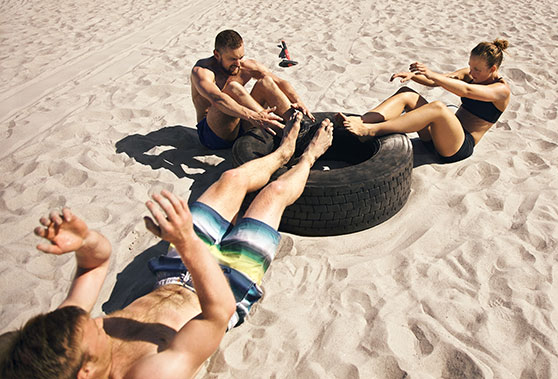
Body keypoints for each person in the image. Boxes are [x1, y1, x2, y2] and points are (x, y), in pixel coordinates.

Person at [0, 112, 334, 378]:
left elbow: (94, 265)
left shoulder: (62, 337)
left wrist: (85, 241)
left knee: (231, 179)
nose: (95, 320)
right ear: (85, 372)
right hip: (229, 286)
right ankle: (308, 157)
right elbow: (218, 314)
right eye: (95, 329)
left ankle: (282, 153)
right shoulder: (151, 371)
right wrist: (187, 242)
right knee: (272, 196)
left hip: (173, 274)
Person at [340, 39, 511, 163]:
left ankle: (371, 131)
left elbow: (467, 90)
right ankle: (361, 121)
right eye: (470, 66)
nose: (471, 72)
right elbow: (436, 81)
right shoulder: (470, 74)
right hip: (438, 136)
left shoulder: (501, 91)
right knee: (407, 94)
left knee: (438, 107)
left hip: (457, 147)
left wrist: (431, 73)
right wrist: (414, 76)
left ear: (493, 69)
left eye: (477, 69)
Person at [191, 29, 315, 150]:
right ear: (217, 55)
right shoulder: (202, 72)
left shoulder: (245, 66)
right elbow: (217, 99)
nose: (238, 63)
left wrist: (298, 100)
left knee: (266, 82)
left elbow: (280, 82)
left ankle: (298, 127)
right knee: (233, 88)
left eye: (241, 57)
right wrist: (253, 116)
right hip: (214, 135)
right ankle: (283, 132)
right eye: (233, 59)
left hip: (241, 122)